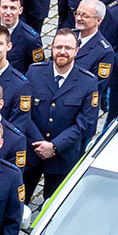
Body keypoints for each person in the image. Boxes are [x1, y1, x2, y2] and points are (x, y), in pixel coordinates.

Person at [24, 30, 101, 201]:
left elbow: (85, 123)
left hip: (63, 156)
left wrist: (54, 146)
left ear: (76, 51)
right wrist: (39, 144)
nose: (62, 52)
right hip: (31, 152)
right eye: (58, 47)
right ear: (51, 48)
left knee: (53, 205)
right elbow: (24, 112)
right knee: (18, 203)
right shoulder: (34, 72)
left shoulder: (87, 82)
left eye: (68, 48)